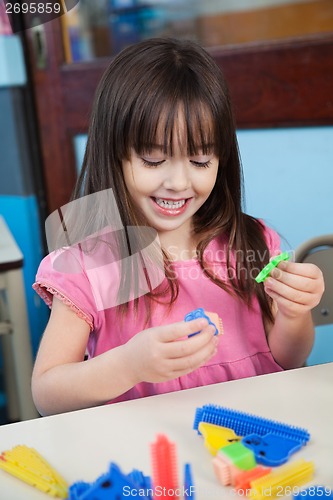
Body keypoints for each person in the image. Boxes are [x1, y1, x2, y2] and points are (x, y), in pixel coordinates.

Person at [32, 38, 324, 416]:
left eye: (201, 160)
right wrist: (129, 365)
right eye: (153, 159)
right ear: (114, 153)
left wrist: (295, 312)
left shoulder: (249, 241)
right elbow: (47, 393)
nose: (178, 182)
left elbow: (287, 359)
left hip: (253, 440)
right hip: (152, 453)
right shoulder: (89, 267)